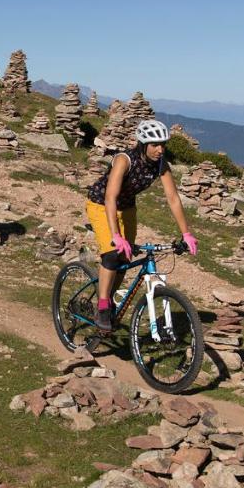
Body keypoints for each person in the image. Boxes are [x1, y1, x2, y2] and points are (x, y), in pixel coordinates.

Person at [84, 119, 197, 332]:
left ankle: (109, 299)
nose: (160, 149)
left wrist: (186, 233)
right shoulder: (124, 160)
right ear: (143, 144)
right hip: (101, 204)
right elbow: (110, 197)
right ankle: (102, 305)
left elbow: (173, 198)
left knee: (125, 258)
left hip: (127, 208)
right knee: (112, 253)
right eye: (155, 145)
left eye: (163, 144)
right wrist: (116, 235)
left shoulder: (162, 164)